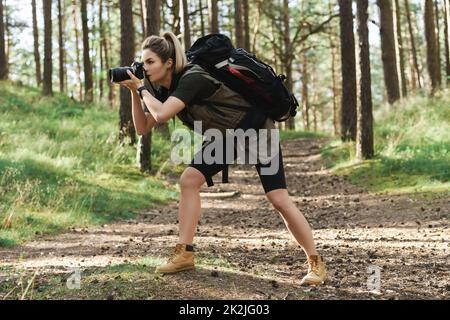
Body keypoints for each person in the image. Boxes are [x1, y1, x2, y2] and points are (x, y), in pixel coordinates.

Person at [116, 31, 327, 286]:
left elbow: (161, 115)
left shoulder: (192, 77)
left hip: (255, 127)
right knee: (189, 180)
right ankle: (184, 253)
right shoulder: (161, 88)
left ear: (168, 63)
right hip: (225, 136)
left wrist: (140, 88)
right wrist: (133, 91)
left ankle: (316, 263)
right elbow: (143, 127)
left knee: (278, 198)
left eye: (150, 62)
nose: (144, 68)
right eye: (143, 62)